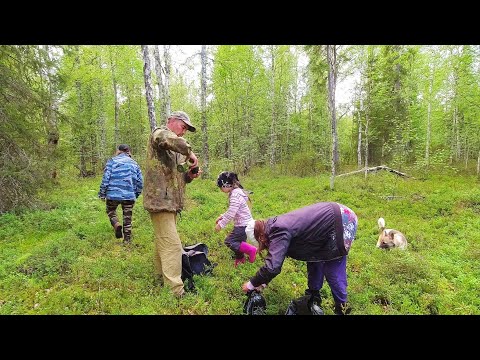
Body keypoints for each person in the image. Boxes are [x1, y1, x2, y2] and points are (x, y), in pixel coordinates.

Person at [241, 202, 358, 315]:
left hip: (341, 221)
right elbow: (277, 258)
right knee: (314, 260)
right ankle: (313, 296)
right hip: (330, 219)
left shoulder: (278, 230)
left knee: (332, 269)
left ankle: (342, 307)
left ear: (260, 237)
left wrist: (251, 284)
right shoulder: (273, 227)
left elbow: (273, 267)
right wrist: (263, 283)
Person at [143, 111, 201, 298]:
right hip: (160, 201)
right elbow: (168, 139)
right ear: (171, 121)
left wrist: (189, 176)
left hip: (170, 203)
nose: (183, 132)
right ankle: (176, 291)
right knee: (172, 245)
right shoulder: (159, 134)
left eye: (186, 129)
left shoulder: (174, 152)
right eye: (183, 127)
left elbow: (178, 179)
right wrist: (190, 152)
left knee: (164, 241)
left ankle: (160, 276)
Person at [98, 144, 143, 245]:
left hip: (113, 194)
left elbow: (106, 178)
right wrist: (136, 194)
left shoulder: (112, 161)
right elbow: (140, 181)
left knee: (110, 210)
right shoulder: (134, 164)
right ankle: (127, 240)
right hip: (129, 195)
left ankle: (116, 223)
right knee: (127, 218)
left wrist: (102, 193)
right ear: (128, 152)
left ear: (118, 151)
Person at [214, 171, 257, 267]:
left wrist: (220, 225)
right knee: (240, 243)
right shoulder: (237, 192)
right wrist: (222, 216)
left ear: (225, 185)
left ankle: (251, 250)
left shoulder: (235, 195)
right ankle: (240, 259)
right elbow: (233, 210)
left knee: (230, 241)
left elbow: (231, 213)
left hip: (242, 225)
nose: (220, 189)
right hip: (246, 223)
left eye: (220, 187)